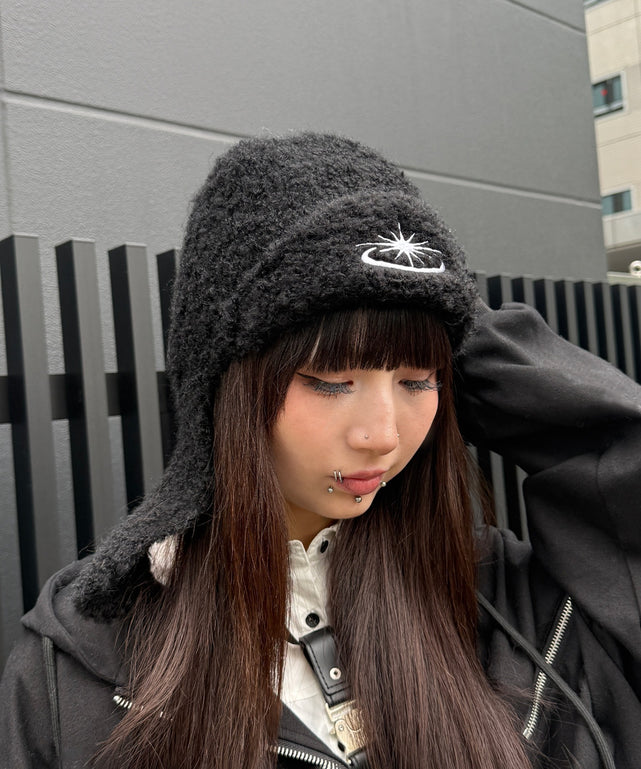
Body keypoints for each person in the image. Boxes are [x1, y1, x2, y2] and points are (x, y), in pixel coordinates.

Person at [1, 133, 639, 769]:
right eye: (332, 381)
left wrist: (437, 304)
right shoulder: (81, 658)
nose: (382, 435)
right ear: (226, 382)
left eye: (419, 380)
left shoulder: (515, 603)